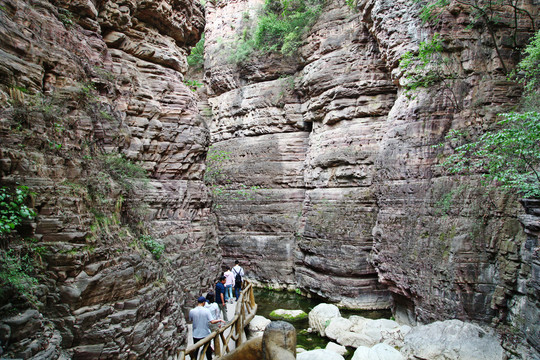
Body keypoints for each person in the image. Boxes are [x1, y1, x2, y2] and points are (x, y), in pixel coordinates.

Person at [189, 296, 225, 360]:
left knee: (196, 351)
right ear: (203, 303)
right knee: (208, 351)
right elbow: (212, 321)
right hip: (205, 333)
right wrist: (219, 320)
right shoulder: (206, 311)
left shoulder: (192, 311)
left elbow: (191, 320)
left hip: (196, 334)